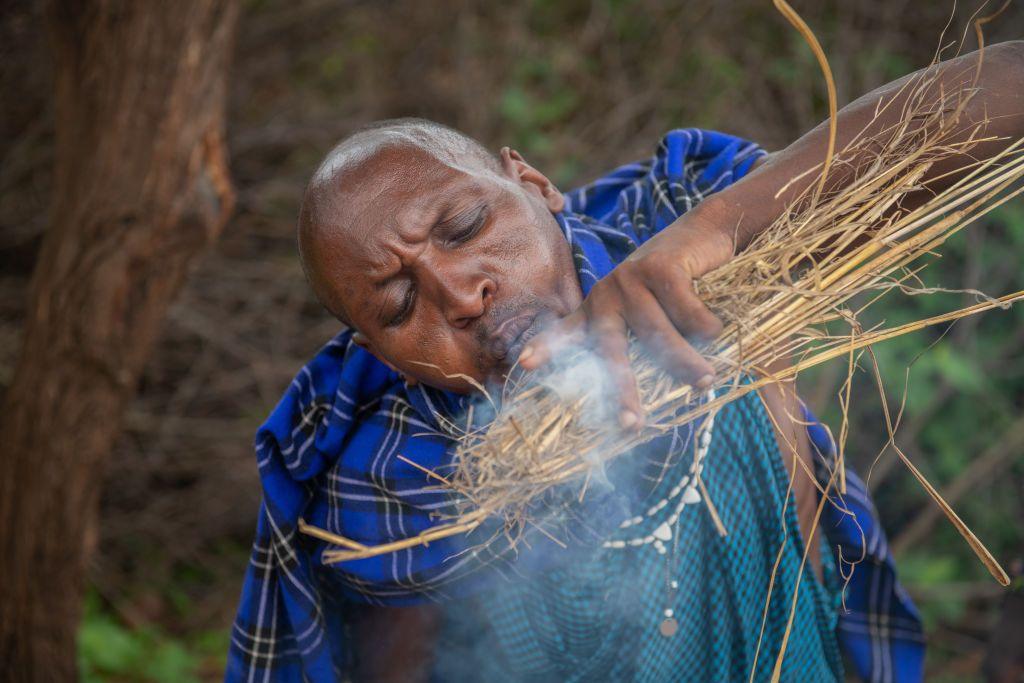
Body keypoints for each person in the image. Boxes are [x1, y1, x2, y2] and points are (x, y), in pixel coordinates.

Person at [227, 42, 1023, 682]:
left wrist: (716, 229)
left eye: (466, 225)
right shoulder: (387, 481)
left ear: (534, 184)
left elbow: (1009, 80)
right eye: (400, 307)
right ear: (381, 355)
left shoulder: (686, 222)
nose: (458, 294)